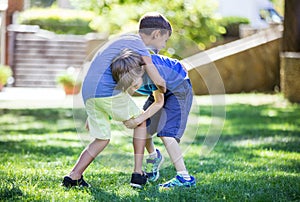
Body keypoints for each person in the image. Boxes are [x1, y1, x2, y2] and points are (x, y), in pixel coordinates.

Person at [62, 12, 172, 189]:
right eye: (164, 40)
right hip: (106, 92)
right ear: (156, 34)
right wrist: (162, 87)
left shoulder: (123, 40)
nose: (164, 45)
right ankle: (138, 173)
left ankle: (73, 176)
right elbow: (150, 68)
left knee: (101, 138)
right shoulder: (138, 44)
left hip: (88, 92)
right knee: (140, 122)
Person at [112, 49, 196, 189]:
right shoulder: (128, 72)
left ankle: (184, 177)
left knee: (167, 134)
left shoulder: (152, 73)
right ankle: (154, 156)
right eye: (129, 86)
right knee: (143, 128)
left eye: (134, 84)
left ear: (140, 72)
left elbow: (159, 102)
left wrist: (137, 120)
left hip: (178, 89)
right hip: (159, 91)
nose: (133, 88)